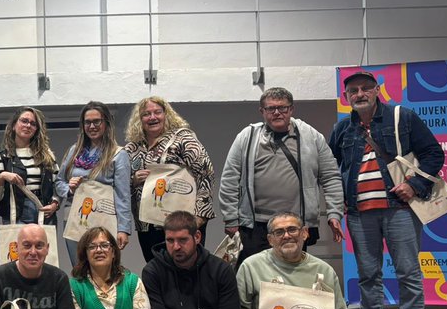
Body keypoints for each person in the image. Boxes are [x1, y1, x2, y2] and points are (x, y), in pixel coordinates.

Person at [329, 69, 445, 309]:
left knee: (408, 272)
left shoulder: (402, 117)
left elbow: (434, 154)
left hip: (400, 210)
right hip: (359, 213)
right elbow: (329, 169)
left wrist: (414, 185)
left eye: (365, 88)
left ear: (377, 90)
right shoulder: (342, 129)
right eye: (353, 91)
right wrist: (337, 206)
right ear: (346, 97)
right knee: (368, 275)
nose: (360, 94)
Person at [219, 87, 344, 266]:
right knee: (255, 277)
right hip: (255, 226)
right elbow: (229, 178)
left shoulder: (311, 136)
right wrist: (231, 218)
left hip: (295, 225)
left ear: (291, 109)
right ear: (262, 112)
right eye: (271, 109)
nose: (277, 112)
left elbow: (331, 176)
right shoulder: (247, 137)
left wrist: (334, 213)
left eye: (283, 108)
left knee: (292, 279)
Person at [124, 96, 216, 262]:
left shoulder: (183, 139)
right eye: (146, 114)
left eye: (157, 112)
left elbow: (205, 173)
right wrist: (133, 179)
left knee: (187, 270)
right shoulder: (132, 147)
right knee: (155, 270)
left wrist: (200, 216)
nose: (152, 117)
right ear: (139, 119)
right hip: (147, 224)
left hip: (184, 222)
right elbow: (119, 184)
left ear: (166, 115)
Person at [56, 101, 132, 265]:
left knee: (102, 270)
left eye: (97, 121)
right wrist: (69, 189)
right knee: (79, 269)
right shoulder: (74, 151)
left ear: (106, 123)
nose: (92, 126)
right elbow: (59, 182)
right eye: (87, 122)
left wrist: (123, 229)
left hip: (104, 219)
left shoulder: (118, 154)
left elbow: (123, 195)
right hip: (74, 218)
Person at [0, 106, 59, 226]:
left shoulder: (47, 155)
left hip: (45, 213)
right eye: (24, 121)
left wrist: (55, 204)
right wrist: (2, 177)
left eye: (33, 123)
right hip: (15, 216)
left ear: (37, 129)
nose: (28, 125)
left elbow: (57, 185)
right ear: (14, 125)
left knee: (47, 245)